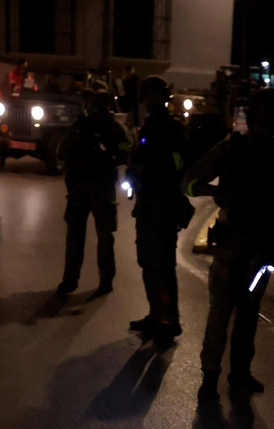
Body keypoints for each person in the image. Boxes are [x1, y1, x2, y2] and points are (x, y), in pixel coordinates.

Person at [183, 89, 274, 395]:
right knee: (221, 312)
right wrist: (215, 192)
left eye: (269, 124)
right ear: (251, 119)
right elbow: (189, 182)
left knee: (248, 314)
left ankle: (239, 374)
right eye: (261, 122)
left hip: (260, 248)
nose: (264, 129)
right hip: (232, 245)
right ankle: (210, 375)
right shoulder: (229, 149)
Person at [127, 76, 192, 343]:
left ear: (164, 98)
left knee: (163, 265)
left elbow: (179, 165)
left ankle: (169, 320)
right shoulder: (148, 127)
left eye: (156, 96)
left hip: (164, 204)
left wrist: (150, 168)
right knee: (147, 261)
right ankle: (156, 315)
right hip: (146, 202)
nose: (151, 101)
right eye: (148, 96)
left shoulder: (174, 128)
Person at [55, 92, 128, 298]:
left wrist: (108, 157)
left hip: (100, 186)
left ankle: (103, 281)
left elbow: (126, 151)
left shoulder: (113, 128)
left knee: (101, 236)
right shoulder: (80, 126)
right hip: (82, 188)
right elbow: (62, 152)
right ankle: (72, 280)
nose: (94, 107)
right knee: (77, 237)